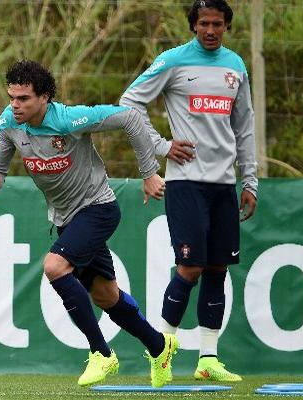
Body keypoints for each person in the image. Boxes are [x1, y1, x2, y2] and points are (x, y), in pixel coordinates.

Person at [0, 60, 178, 388]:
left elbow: (130, 117)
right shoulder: (8, 123)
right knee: (107, 297)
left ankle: (101, 353)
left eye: (24, 98)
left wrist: (149, 173)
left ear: (44, 98)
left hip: (98, 209)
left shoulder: (70, 119)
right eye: (12, 97)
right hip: (65, 219)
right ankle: (160, 346)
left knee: (55, 266)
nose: (15, 105)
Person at [120, 0, 257, 382]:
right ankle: (161, 349)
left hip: (224, 184)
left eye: (217, 24)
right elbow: (129, 102)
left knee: (216, 269)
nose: (210, 30)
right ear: (193, 26)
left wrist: (251, 180)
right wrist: (163, 146)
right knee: (190, 266)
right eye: (203, 24)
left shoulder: (236, 66)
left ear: (227, 25)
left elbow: (244, 127)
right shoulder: (173, 61)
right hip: (185, 183)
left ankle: (208, 359)